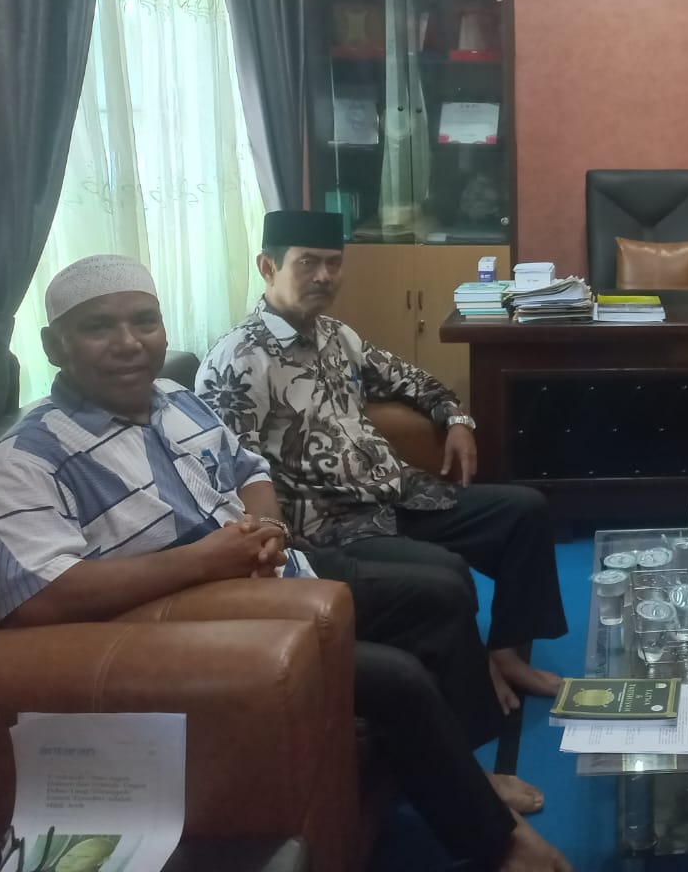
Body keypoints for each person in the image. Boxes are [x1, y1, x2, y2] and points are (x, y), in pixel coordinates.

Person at [0, 255, 571, 872]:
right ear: (54, 345)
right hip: (193, 627)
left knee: (439, 594)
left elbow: (249, 469)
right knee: (396, 677)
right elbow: (34, 597)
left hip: (275, 574)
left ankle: (465, 770)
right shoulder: (26, 460)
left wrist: (269, 530)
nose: (128, 343)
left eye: (144, 321)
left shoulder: (175, 399)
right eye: (99, 327)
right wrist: (204, 562)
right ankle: (496, 844)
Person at [197, 210, 567, 711]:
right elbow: (232, 474)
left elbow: (414, 381)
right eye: (307, 263)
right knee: (448, 572)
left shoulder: (336, 336)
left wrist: (458, 419)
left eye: (333, 263)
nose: (324, 276)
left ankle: (507, 654)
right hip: (329, 527)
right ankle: (470, 699)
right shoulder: (239, 359)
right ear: (268, 267)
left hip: (397, 496)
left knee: (525, 510)